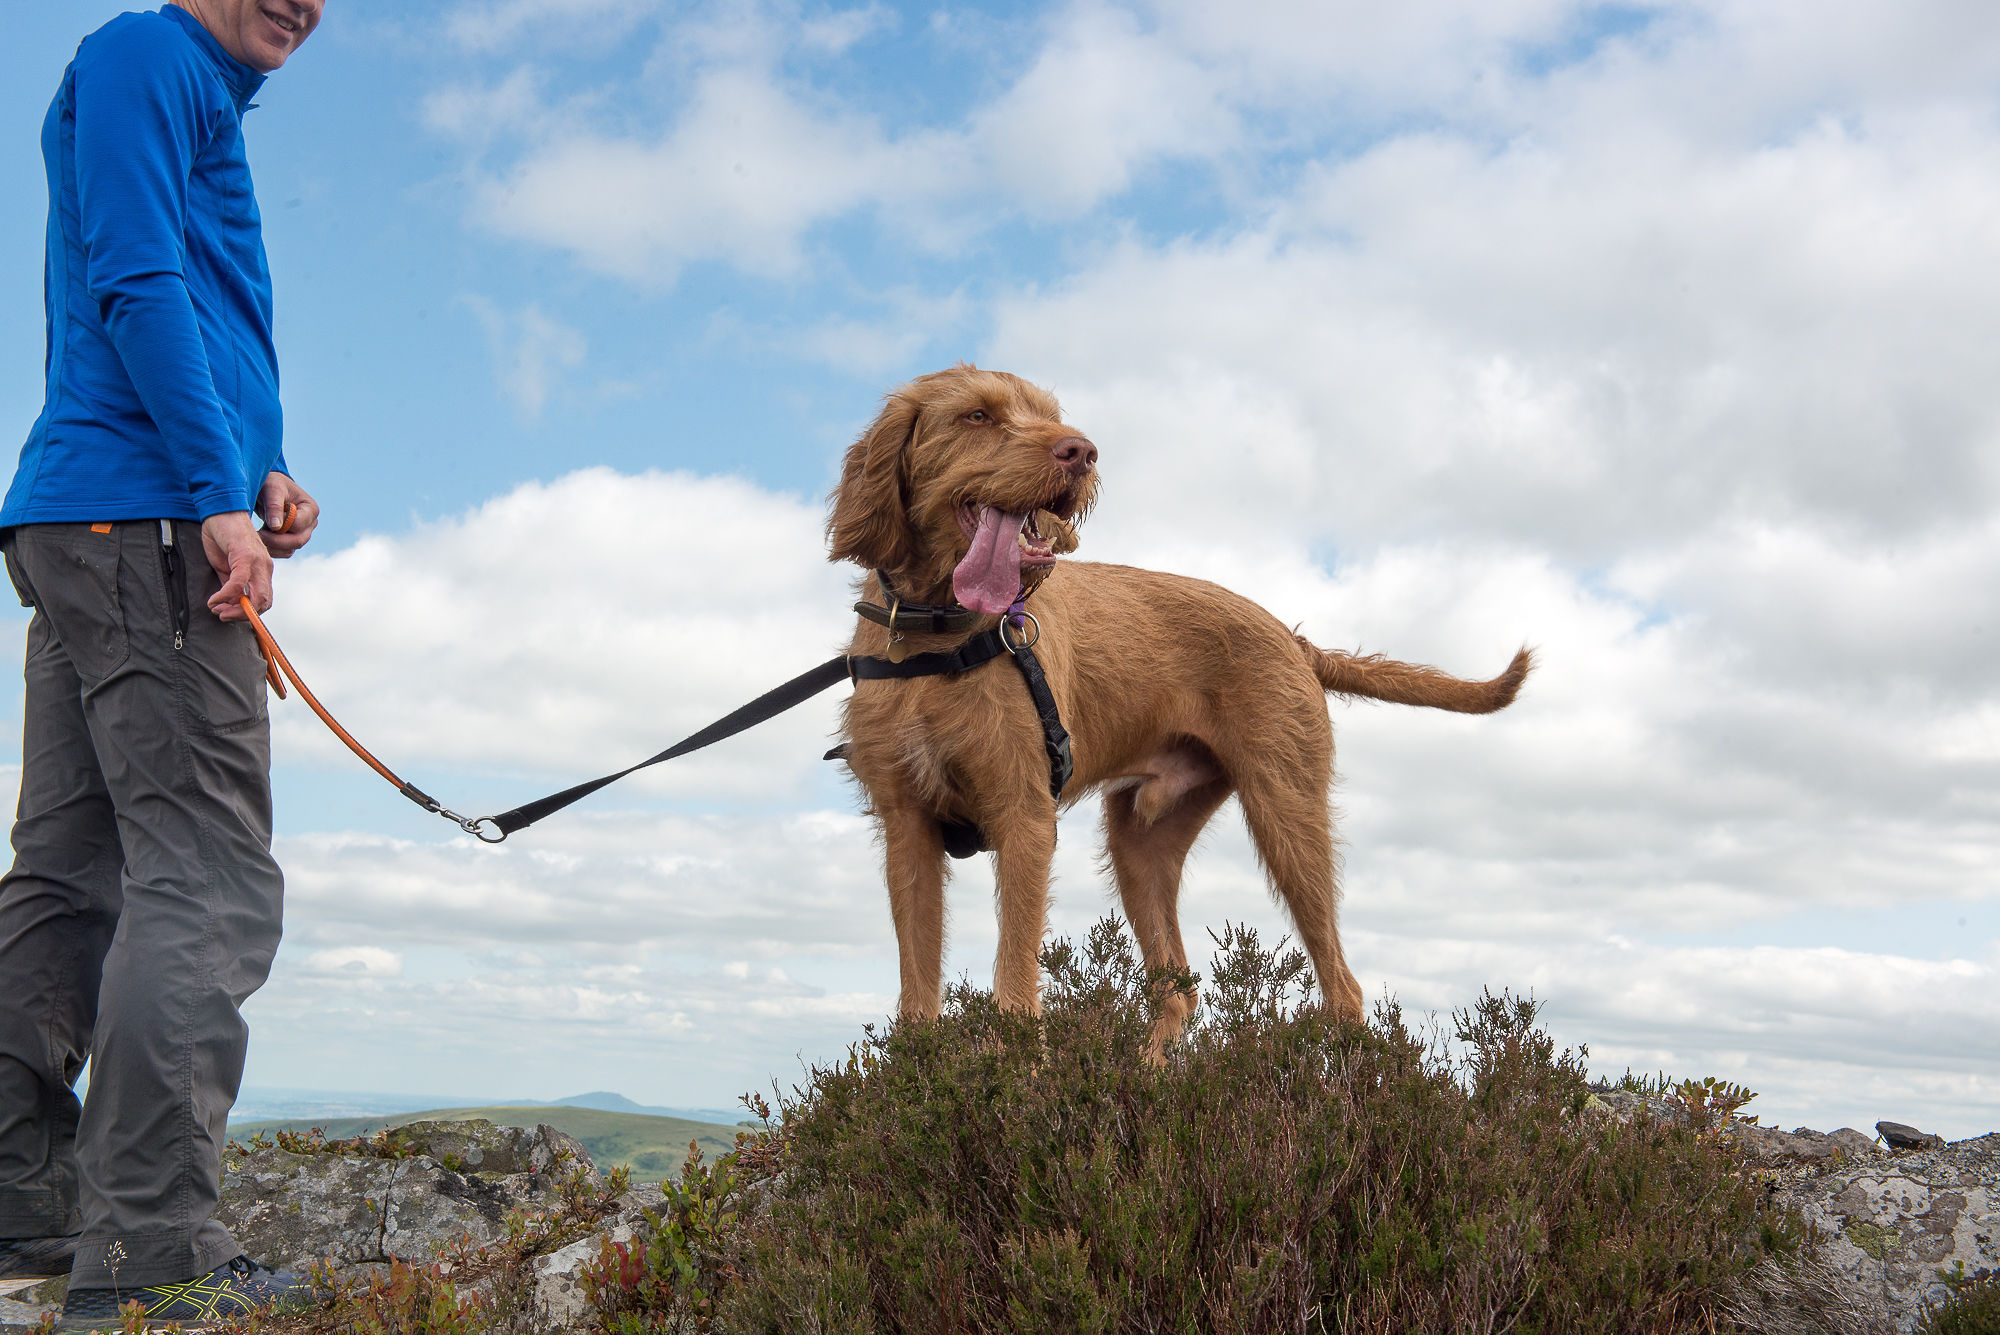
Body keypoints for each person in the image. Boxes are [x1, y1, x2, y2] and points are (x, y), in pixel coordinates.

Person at [0, 2, 326, 1326]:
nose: (303, 1)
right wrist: (215, 496)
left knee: (71, 872)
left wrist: (259, 475)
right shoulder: (149, 56)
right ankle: (148, 1252)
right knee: (208, 877)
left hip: (92, 520)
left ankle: (26, 1212)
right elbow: (136, 277)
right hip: (140, 524)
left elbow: (158, 296)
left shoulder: (169, 82)